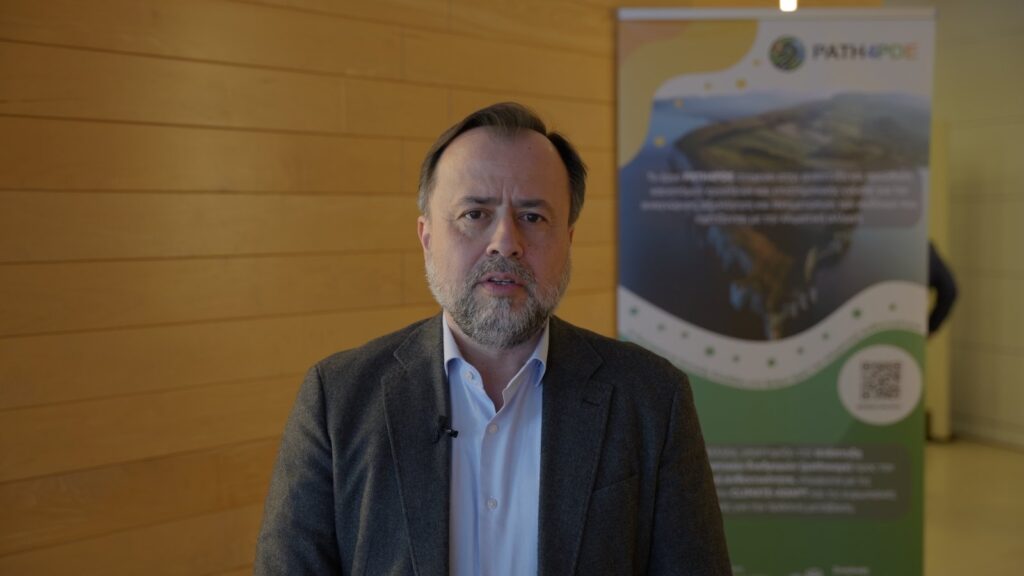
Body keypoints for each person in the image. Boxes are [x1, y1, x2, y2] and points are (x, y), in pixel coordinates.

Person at [254, 102, 731, 575]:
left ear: (568, 240)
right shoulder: (337, 401)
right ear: (426, 236)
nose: (505, 242)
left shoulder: (651, 399)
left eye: (533, 217)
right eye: (475, 213)